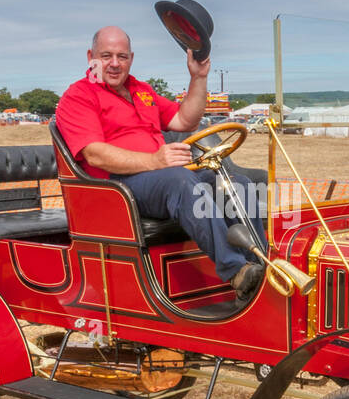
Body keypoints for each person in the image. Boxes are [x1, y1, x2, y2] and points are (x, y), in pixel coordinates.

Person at [55, 26, 268, 300]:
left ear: (131, 57)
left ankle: (261, 264)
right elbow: (94, 154)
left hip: (162, 178)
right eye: (106, 55)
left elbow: (183, 121)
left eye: (122, 56)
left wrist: (199, 78)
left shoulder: (142, 90)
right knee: (178, 181)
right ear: (91, 57)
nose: (115, 63)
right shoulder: (79, 96)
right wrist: (155, 160)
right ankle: (236, 270)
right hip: (116, 189)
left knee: (236, 183)